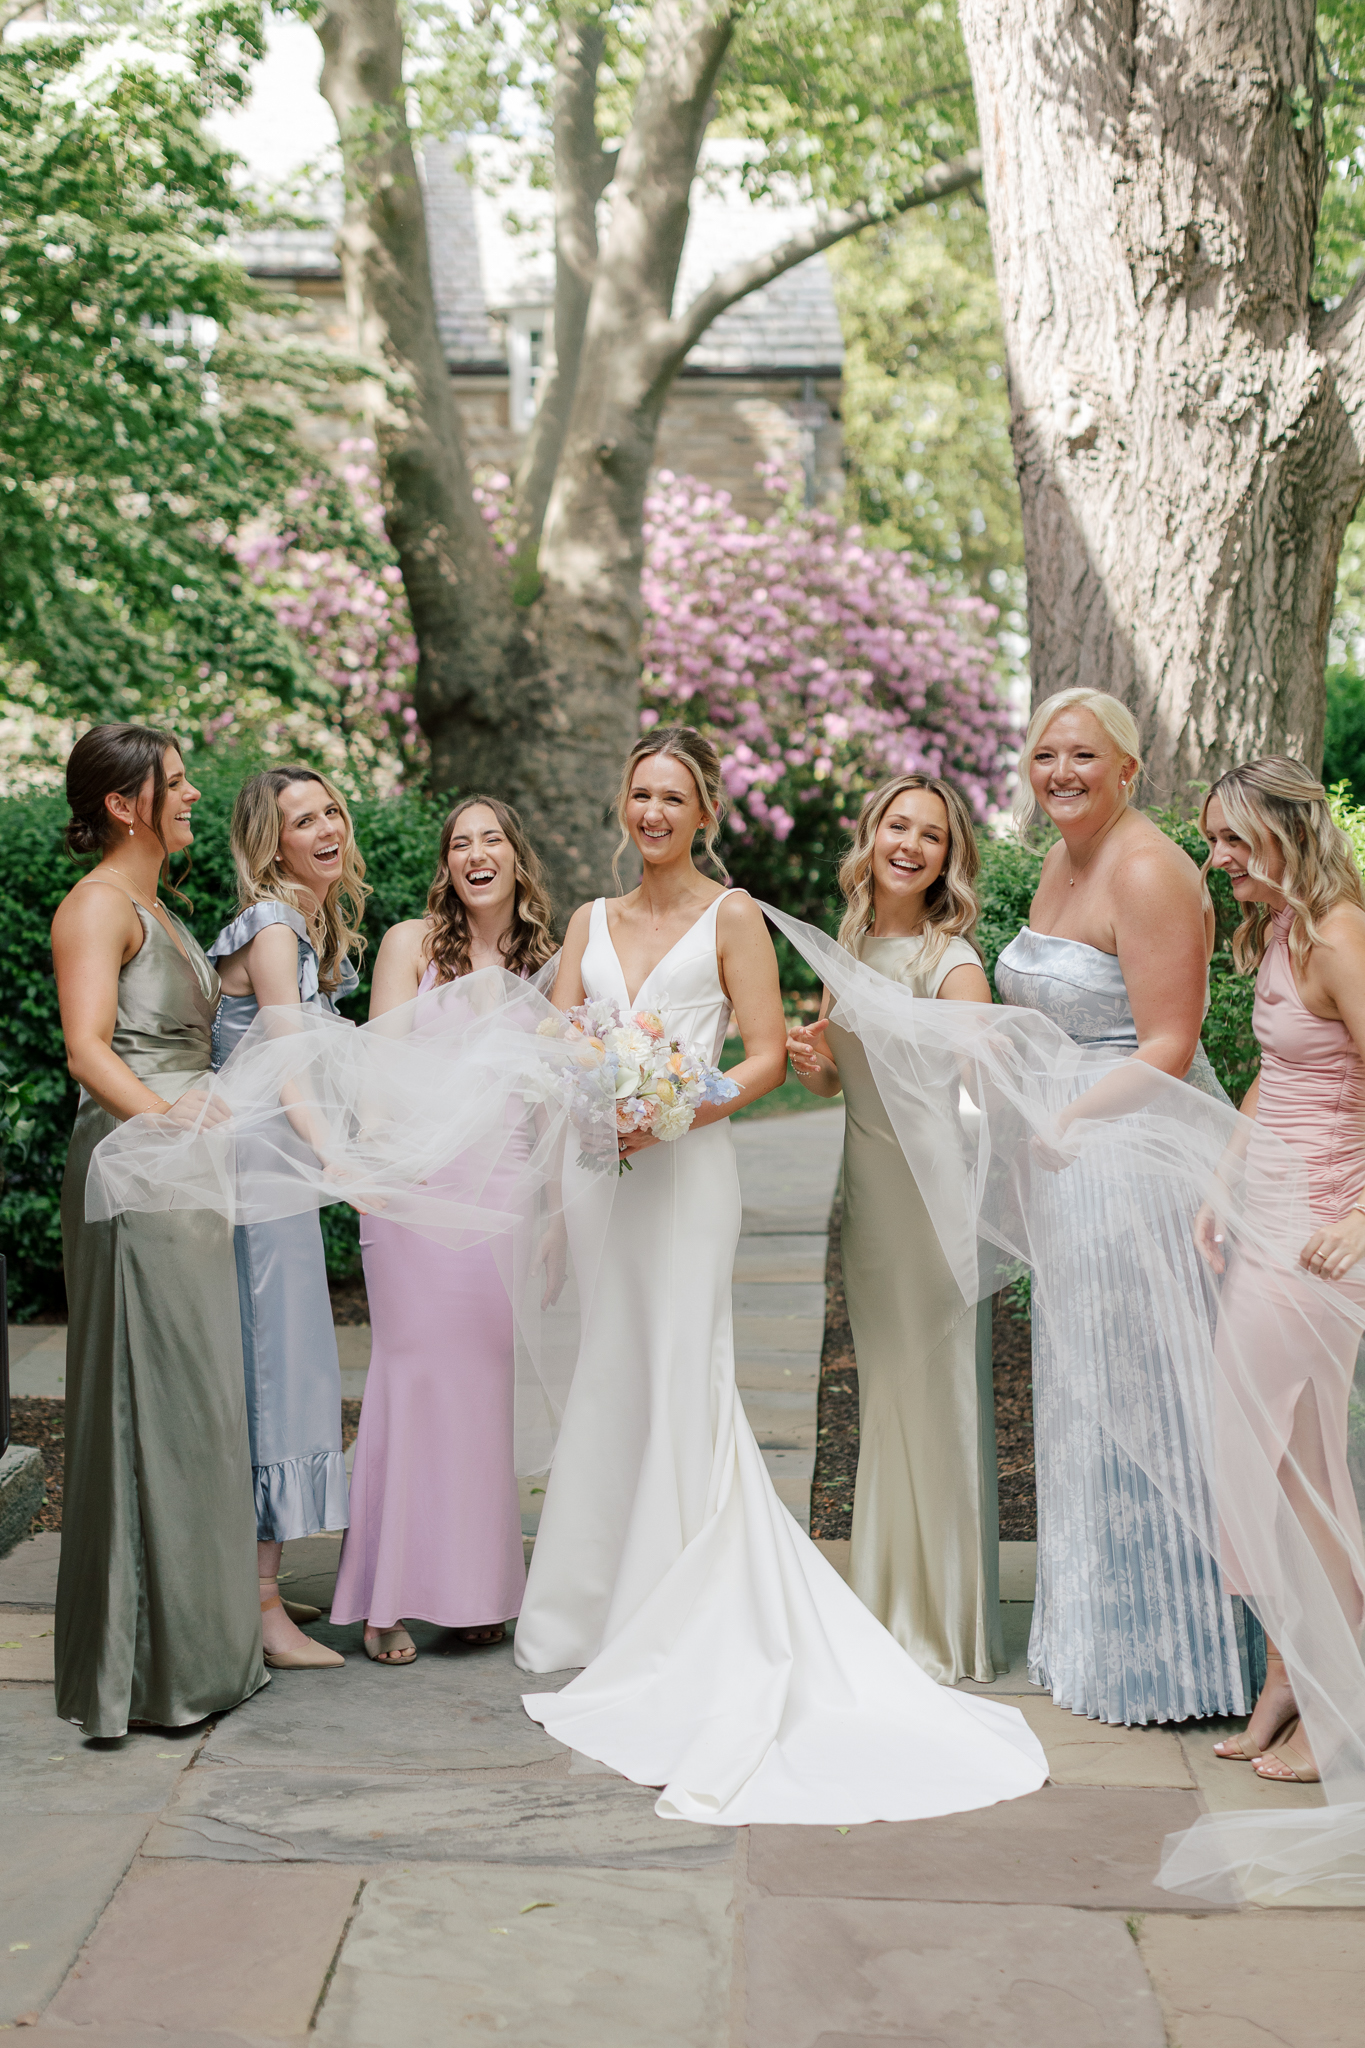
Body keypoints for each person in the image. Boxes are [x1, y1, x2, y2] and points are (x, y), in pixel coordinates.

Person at [513, 726, 1049, 1824]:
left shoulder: (737, 916)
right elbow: (562, 1034)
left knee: (686, 1369)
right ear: (624, 802)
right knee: (612, 1368)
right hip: (606, 1169)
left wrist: (673, 1107)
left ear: (705, 812)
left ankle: (687, 1600)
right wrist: (590, 1095)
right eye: (641, 793)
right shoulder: (586, 920)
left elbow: (759, 1058)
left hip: (686, 1167)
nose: (653, 811)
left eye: (674, 797)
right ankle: (588, 1605)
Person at [992, 687, 1248, 1725]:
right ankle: (1096, 1643)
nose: (1060, 772)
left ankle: (1174, 1662)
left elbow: (1170, 1043)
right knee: (1085, 1393)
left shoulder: (1145, 868)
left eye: (1083, 756)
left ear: (1129, 769)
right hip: (1070, 1158)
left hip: (1133, 1159)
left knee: (1144, 1402)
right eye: (1045, 754)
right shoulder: (1062, 857)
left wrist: (1065, 1119)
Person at [50, 725, 265, 1738]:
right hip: (136, 1171)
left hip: (184, 1172)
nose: (191, 795)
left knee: (199, 1401)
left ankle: (207, 1654)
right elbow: (87, 1049)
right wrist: (173, 1122)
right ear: (123, 803)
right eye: (173, 783)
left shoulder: (160, 908)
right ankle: (144, 1672)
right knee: (152, 1397)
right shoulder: (96, 906)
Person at [785, 774, 1005, 1683]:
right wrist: (811, 1061)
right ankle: (884, 1602)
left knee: (935, 1392)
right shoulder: (850, 944)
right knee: (886, 1393)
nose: (910, 845)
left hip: (927, 1199)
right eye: (897, 826)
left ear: (949, 857)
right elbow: (839, 1079)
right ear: (870, 835)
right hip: (868, 1197)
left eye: (932, 835)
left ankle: (941, 1623)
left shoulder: (950, 960)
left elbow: (985, 1083)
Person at [331, 797, 559, 1665]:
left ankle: (473, 1593)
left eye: (490, 838)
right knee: (412, 1379)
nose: (475, 853)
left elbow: (553, 1100)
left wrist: (554, 1220)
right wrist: (387, 1170)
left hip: (503, 1192)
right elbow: (377, 1071)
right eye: (460, 843)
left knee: (479, 1394)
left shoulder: (547, 965)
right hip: (417, 1189)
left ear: (515, 857)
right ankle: (386, 1598)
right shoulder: (409, 945)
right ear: (448, 864)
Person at [1197, 759, 1365, 1784]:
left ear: (1284, 831)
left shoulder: (1342, 937)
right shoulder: (1279, 928)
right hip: (1265, 1218)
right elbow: (1277, 1069)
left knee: (1302, 1477)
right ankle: (1287, 1675)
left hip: (1320, 1241)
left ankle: (1338, 1705)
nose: (1217, 859)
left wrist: (1362, 1217)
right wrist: (1222, 1177)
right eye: (1212, 841)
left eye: (1231, 840)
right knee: (1256, 1463)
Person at [207, 766, 370, 1672]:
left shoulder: (303, 925)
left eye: (330, 811)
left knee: (292, 1366)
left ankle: (255, 1583)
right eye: (302, 820)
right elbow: (286, 1066)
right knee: (275, 1373)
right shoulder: (273, 927)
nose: (325, 828)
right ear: (271, 843)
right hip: (259, 1184)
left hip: (277, 1177)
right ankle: (261, 1610)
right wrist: (334, 1153)